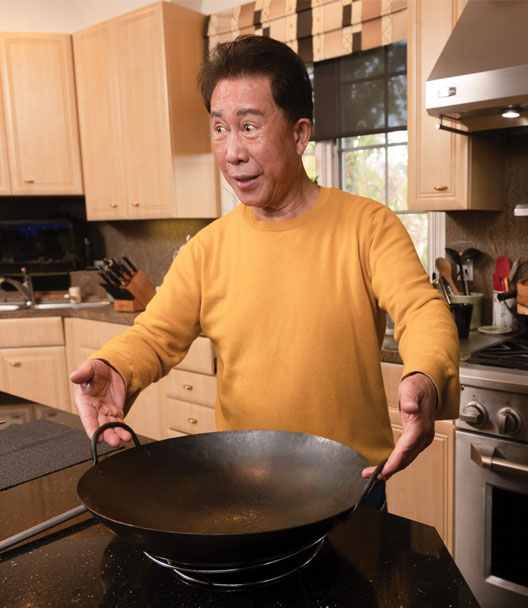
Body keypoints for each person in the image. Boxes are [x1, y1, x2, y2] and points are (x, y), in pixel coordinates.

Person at [71, 35, 460, 491]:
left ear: (299, 134)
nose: (232, 151)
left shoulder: (368, 225)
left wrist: (425, 375)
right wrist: (115, 367)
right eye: (220, 128)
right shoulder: (207, 249)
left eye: (249, 126)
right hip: (244, 489)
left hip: (351, 488)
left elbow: (420, 309)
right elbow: (154, 336)